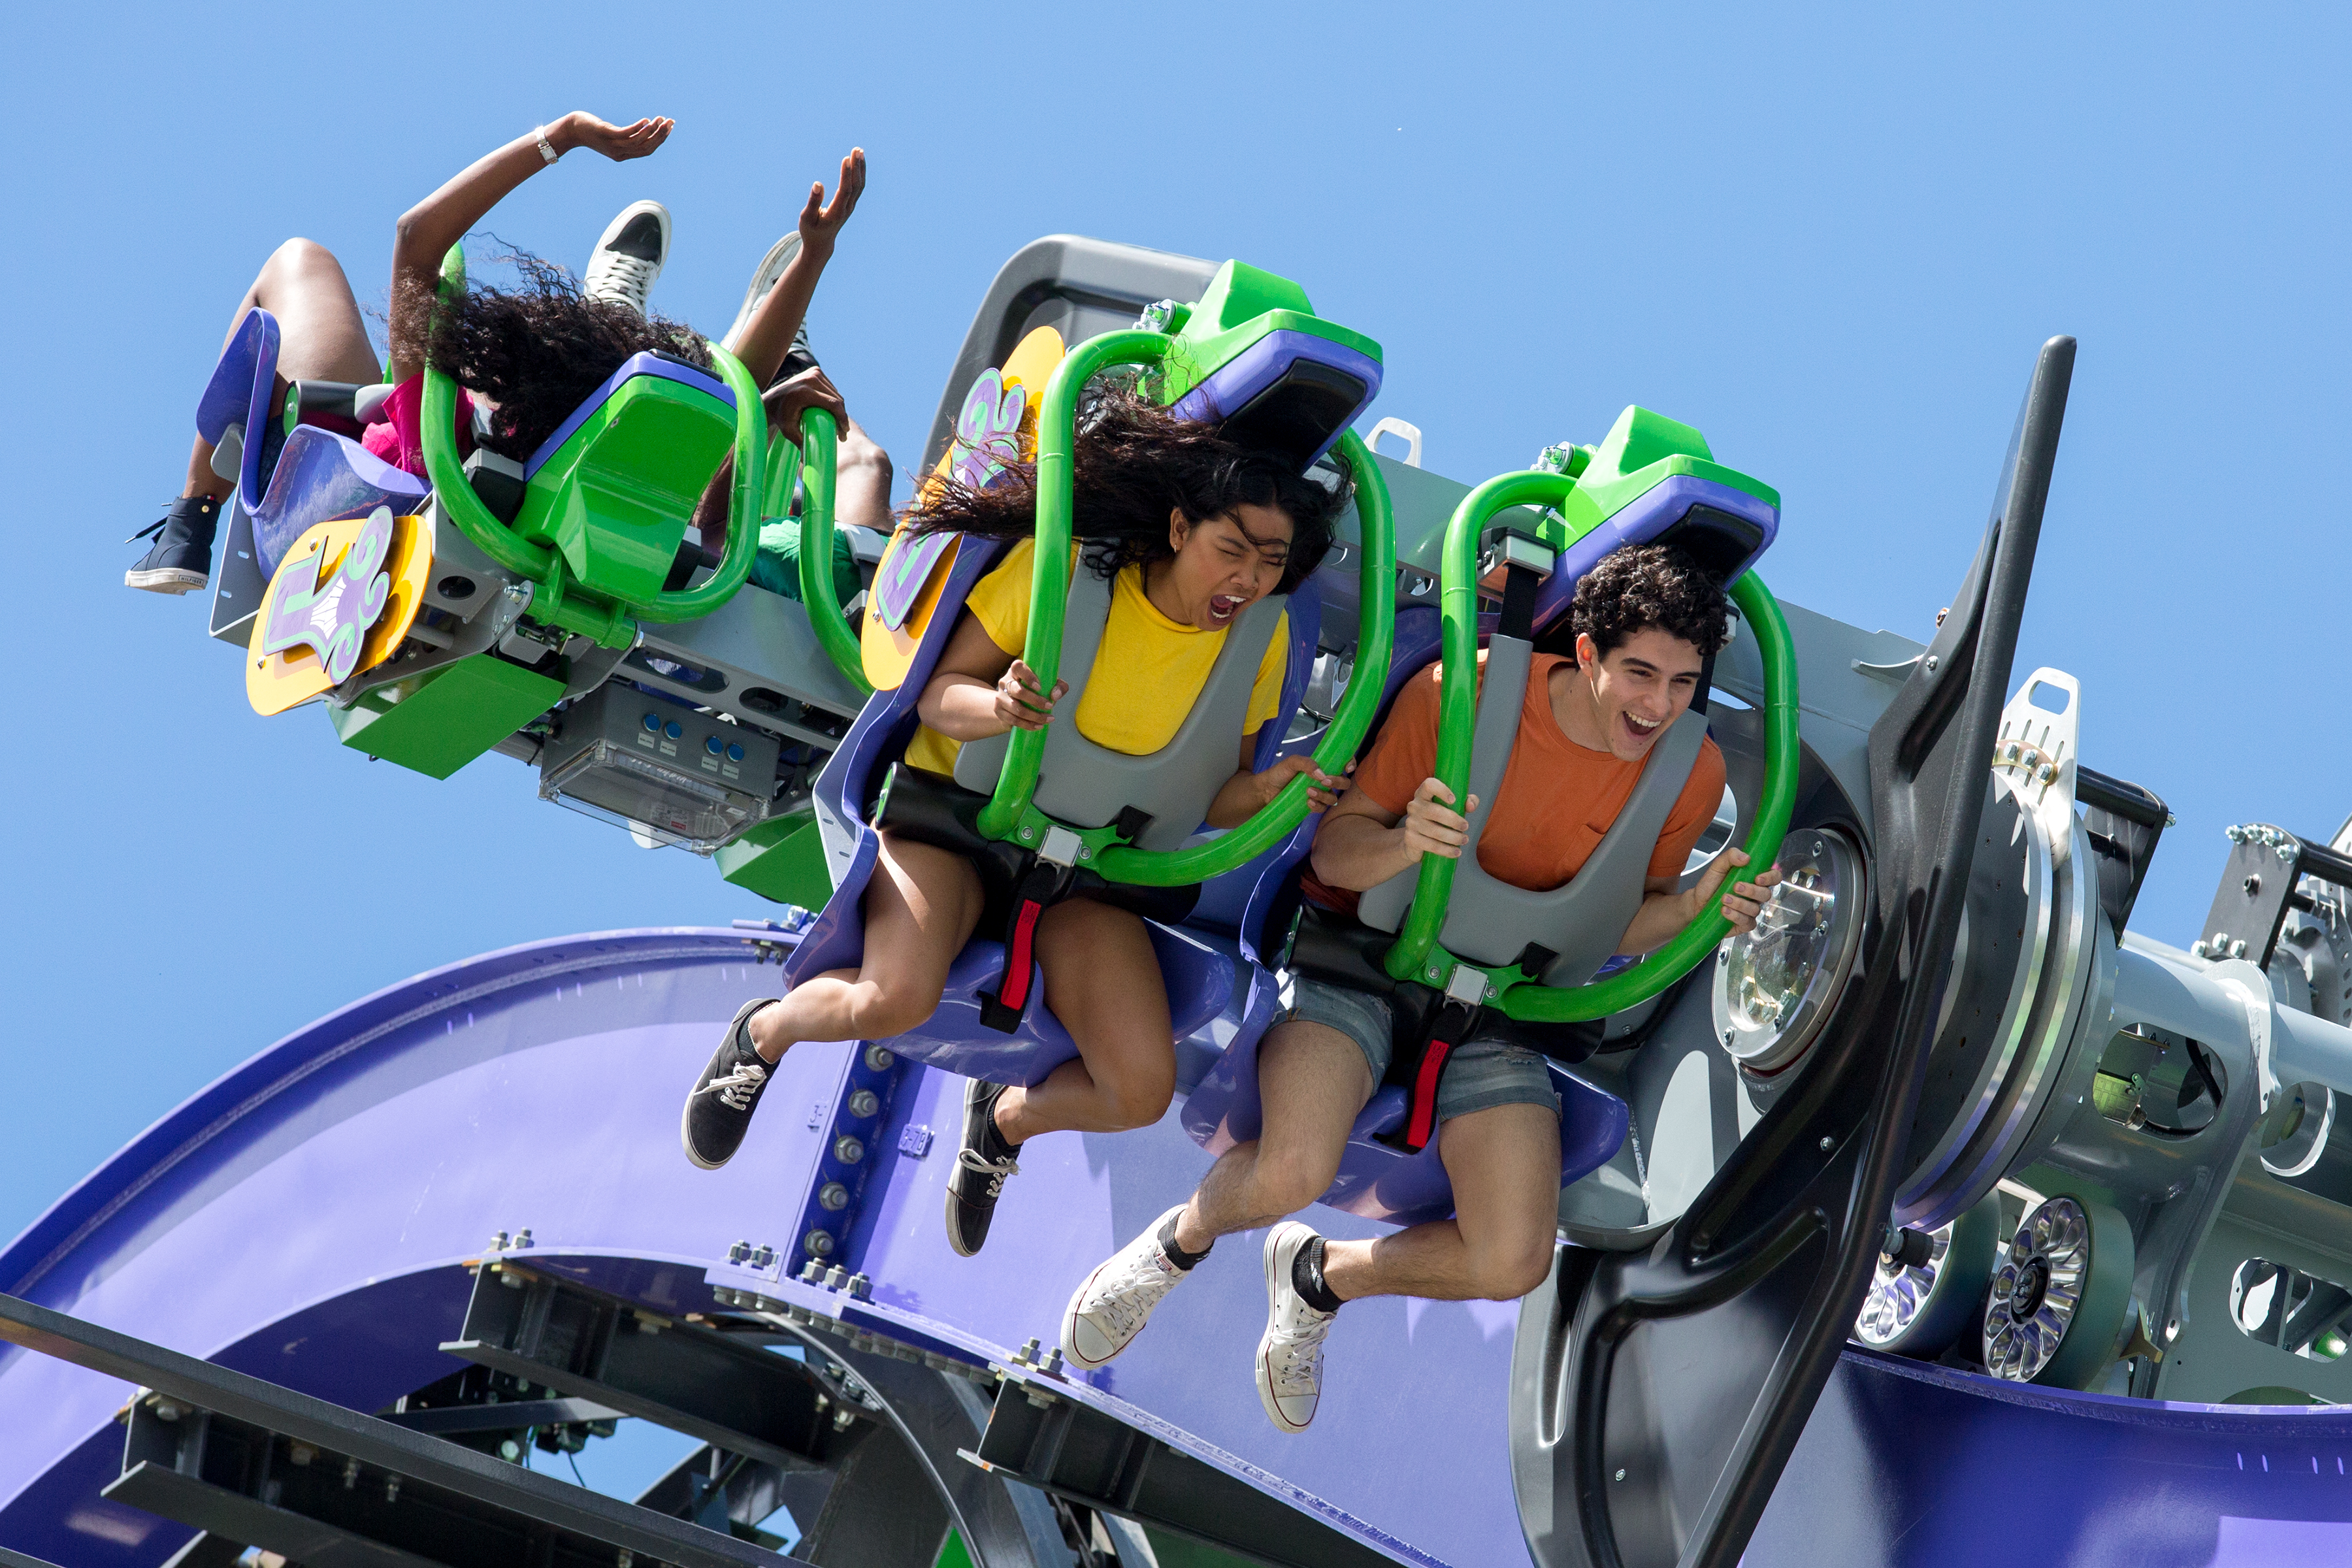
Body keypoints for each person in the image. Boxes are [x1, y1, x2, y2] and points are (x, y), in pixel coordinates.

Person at [1055, 542, 1786, 1433]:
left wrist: (1695, 910)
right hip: (1362, 964)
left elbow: (1611, 926)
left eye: (1682, 683)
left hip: (1497, 1013)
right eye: (1640, 673)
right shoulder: (1463, 698)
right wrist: (1407, 846)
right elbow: (1333, 850)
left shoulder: (1689, 773)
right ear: (1588, 654)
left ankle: (1320, 1278)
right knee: (1292, 1168)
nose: (1658, 706)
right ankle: (1179, 1246)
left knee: (1512, 1260)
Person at [679, 387, 1353, 1261]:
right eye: (1234, 550)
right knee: (894, 999)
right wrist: (997, 704)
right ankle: (762, 1035)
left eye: (1272, 562)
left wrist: (1267, 795)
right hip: (960, 821)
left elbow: (1206, 790)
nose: (1251, 578)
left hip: (1081, 866)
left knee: (1138, 1089)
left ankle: (1005, 1122)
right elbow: (937, 695)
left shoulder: (1260, 635)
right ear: (1182, 528)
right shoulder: (1063, 568)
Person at [126, 112, 864, 594]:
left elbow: (417, 241)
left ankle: (191, 519)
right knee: (687, 399)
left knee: (296, 263)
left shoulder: (442, 434)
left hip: (336, 489)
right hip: (447, 493)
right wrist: (815, 258)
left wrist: (564, 136)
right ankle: (611, 315)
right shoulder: (586, 478)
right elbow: (731, 392)